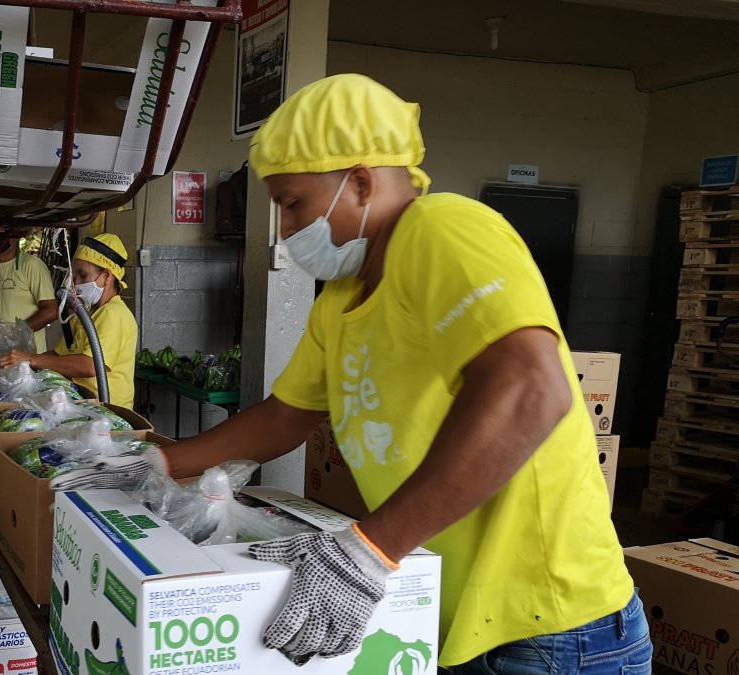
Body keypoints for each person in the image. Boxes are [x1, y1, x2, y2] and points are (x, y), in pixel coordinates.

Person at [54, 75, 651, 674]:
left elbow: (532, 388)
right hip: (449, 622)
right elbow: (283, 417)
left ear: (361, 181)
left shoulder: (441, 230)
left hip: (554, 631)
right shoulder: (339, 300)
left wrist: (369, 549)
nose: (285, 229)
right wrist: (160, 462)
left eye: (292, 204)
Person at [0, 233, 138, 409]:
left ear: (107, 276)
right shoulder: (86, 314)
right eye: (74, 277)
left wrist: (31, 359)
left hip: (108, 413)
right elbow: (59, 355)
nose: (76, 284)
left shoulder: (113, 314)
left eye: (83, 275)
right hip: (85, 404)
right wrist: (19, 364)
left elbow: (90, 365)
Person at [0, 232, 58, 352]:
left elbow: (51, 311)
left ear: (17, 234)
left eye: (3, 228)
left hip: (29, 359)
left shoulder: (31, 265)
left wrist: (15, 332)